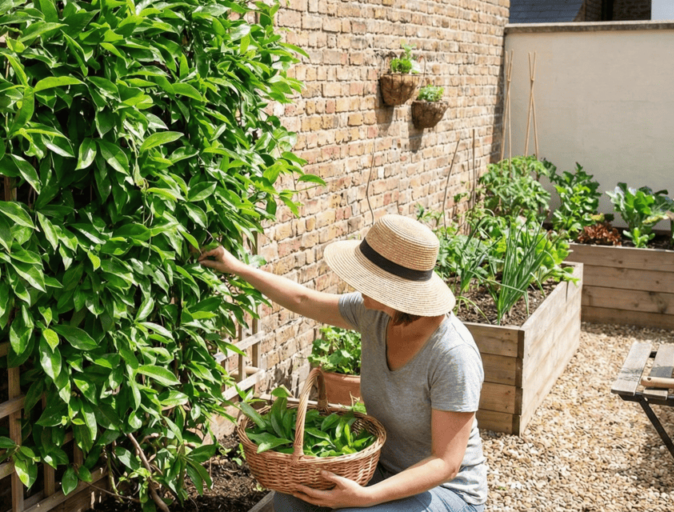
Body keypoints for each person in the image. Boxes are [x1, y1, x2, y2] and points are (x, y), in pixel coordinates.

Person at [199, 214, 487, 512]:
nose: (355, 283)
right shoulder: (374, 314)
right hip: (382, 469)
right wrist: (236, 267)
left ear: (394, 289)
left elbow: (446, 463)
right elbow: (303, 300)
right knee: (291, 500)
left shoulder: (452, 355)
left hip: (446, 493)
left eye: (365, 278)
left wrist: (364, 498)